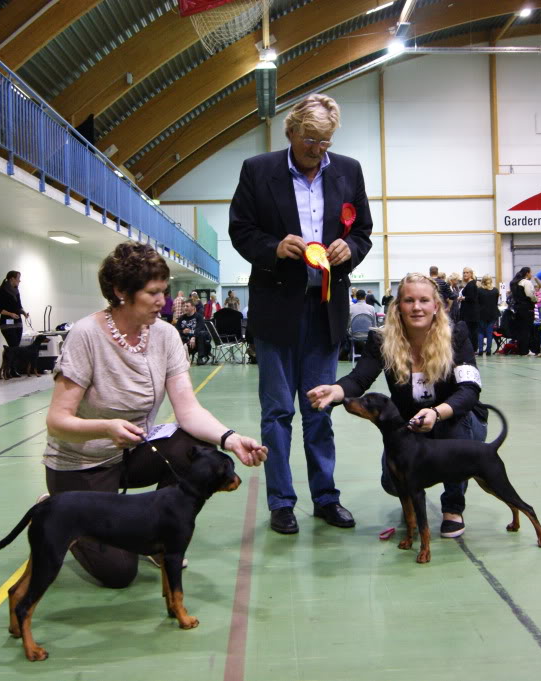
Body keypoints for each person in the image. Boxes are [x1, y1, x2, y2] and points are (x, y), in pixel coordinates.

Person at [42, 242, 267, 589]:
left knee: (191, 445)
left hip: (132, 453)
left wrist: (230, 438)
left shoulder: (165, 335)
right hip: (82, 464)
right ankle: (59, 506)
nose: (163, 301)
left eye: (164, 291)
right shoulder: (86, 336)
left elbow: (188, 410)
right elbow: (57, 421)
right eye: (153, 293)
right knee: (119, 574)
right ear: (120, 292)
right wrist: (105, 427)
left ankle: (163, 536)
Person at [228, 93, 373, 534]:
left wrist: (352, 249)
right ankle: (282, 503)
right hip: (276, 308)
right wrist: (274, 249)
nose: (317, 150)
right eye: (310, 140)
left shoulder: (348, 170)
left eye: (325, 141)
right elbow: (241, 230)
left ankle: (326, 498)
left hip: (326, 310)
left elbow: (363, 231)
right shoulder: (258, 170)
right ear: (290, 131)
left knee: (321, 409)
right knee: (276, 412)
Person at [306, 273, 487, 539]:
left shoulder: (456, 335)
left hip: (454, 419)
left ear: (436, 306)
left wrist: (437, 413)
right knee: (391, 482)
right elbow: (360, 378)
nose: (417, 307)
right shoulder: (382, 340)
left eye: (424, 300)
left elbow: (469, 391)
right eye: (409, 300)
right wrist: (335, 390)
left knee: (454, 430)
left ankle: (453, 507)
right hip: (411, 425)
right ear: (398, 306)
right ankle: (413, 496)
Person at [0, 270, 29, 349]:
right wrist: (10, 314)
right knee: (14, 346)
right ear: (12, 279)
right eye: (18, 278)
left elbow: (19, 306)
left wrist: (24, 313)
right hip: (7, 324)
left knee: (16, 347)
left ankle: (12, 360)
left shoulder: (16, 292)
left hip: (18, 323)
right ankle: (11, 360)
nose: (19, 280)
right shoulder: (0, 292)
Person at [508, 267, 536, 356]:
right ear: (527, 273)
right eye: (531, 273)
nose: (531, 275)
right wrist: (536, 299)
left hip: (517, 309)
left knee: (520, 330)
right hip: (527, 309)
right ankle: (526, 350)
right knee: (526, 330)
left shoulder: (514, 283)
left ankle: (521, 349)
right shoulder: (526, 282)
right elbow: (529, 295)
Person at [476, 275, 500, 357]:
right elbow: (496, 302)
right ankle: (489, 350)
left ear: (482, 281)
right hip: (492, 313)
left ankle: (480, 350)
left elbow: (477, 302)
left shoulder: (479, 290)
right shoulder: (495, 290)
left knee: (480, 332)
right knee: (489, 332)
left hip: (481, 313)